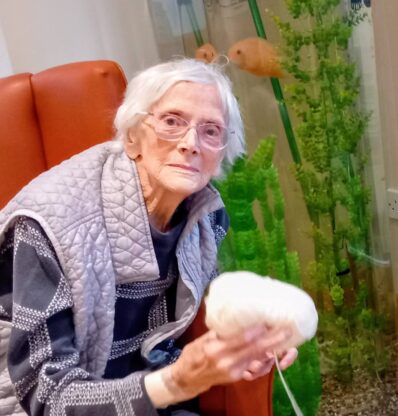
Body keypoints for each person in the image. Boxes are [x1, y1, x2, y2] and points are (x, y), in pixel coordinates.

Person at [0, 59, 297, 415]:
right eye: (172, 122)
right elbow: (46, 397)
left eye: (211, 130)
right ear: (131, 137)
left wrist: (244, 346)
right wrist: (177, 382)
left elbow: (180, 335)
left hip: (147, 394)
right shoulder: (48, 225)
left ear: (220, 155)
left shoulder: (207, 216)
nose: (191, 143)